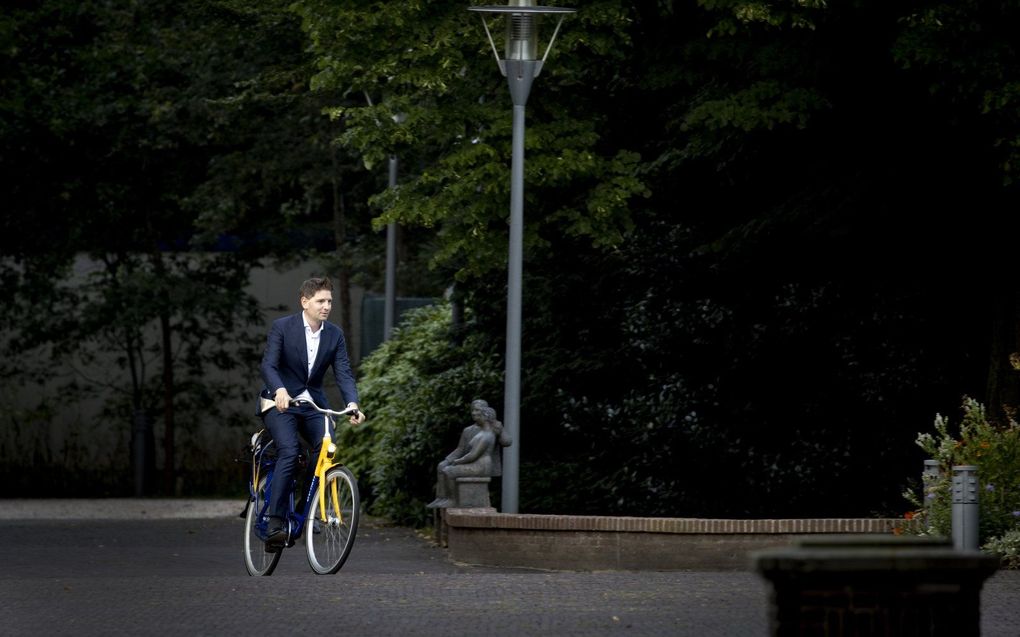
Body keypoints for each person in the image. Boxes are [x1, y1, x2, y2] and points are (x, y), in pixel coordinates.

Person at [258, 276, 366, 550]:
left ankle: (305, 509)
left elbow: (343, 373)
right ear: (305, 302)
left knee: (326, 449)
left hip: (313, 405)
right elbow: (268, 366)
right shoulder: (282, 327)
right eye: (321, 301)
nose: (327, 306)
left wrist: (352, 404)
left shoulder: (334, 334)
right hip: (280, 403)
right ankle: (275, 521)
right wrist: (279, 389)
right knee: (290, 451)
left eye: (329, 301)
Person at [427, 399, 511, 508]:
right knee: (441, 466)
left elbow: (507, 442)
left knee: (449, 471)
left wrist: (500, 429)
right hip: (468, 461)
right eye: (472, 410)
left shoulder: (493, 429)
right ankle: (442, 498)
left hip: (479, 464)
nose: (473, 413)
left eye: (477, 410)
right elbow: (460, 449)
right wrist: (448, 460)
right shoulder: (468, 430)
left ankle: (452, 500)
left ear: (485, 412)